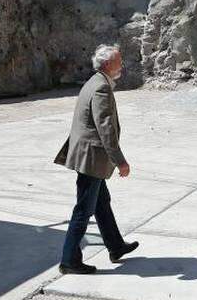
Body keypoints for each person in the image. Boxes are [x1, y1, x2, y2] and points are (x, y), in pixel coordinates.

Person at [54, 44, 139, 274]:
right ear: (108, 64)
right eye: (119, 61)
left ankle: (116, 246)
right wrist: (120, 161)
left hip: (88, 156)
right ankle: (69, 260)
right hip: (92, 158)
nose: (122, 64)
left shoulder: (93, 82)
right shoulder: (101, 88)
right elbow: (106, 129)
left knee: (102, 204)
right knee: (83, 209)